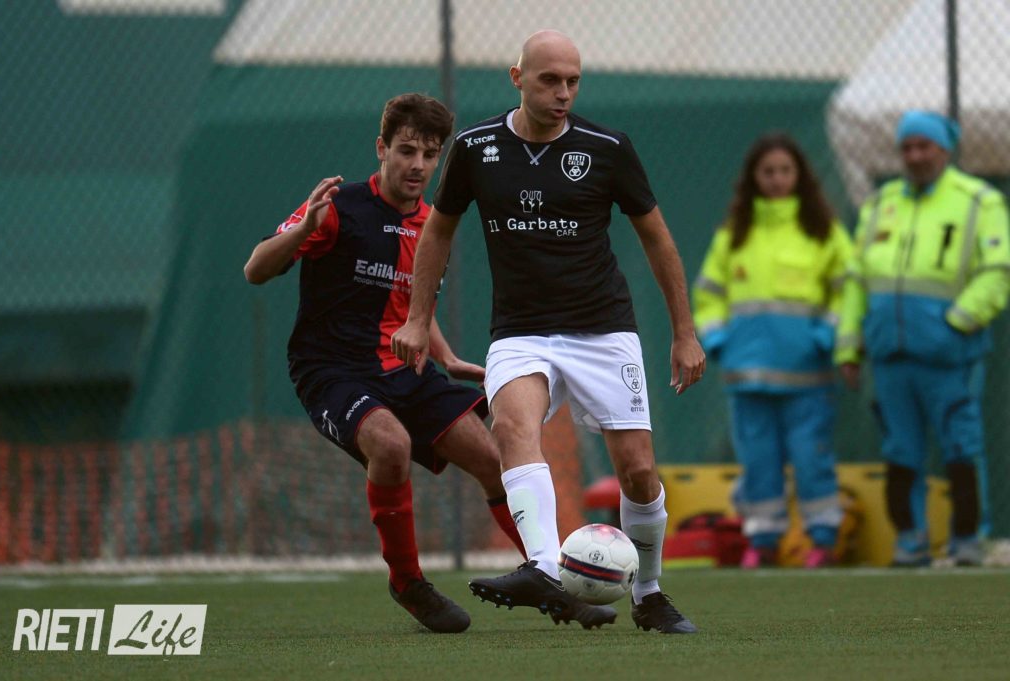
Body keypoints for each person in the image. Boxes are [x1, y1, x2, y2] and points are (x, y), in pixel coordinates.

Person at [391, 30, 705, 634]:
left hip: (603, 329)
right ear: (517, 78)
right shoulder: (475, 146)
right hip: (521, 332)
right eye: (549, 80)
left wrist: (683, 332)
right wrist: (418, 319)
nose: (563, 92)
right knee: (511, 425)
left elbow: (657, 238)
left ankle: (649, 593)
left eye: (573, 81)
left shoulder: (607, 148)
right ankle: (542, 566)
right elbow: (438, 231)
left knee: (639, 471)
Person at [243, 93, 527, 634]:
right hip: (330, 371)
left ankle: (550, 573)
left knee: (492, 458)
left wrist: (445, 356)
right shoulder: (338, 208)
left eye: (429, 154)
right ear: (382, 148)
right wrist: (302, 231)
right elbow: (255, 269)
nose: (417, 165)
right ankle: (408, 582)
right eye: (406, 151)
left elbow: (413, 306)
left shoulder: (432, 224)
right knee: (391, 445)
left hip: (403, 370)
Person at [836, 110, 1010, 567]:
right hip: (889, 355)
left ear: (945, 150)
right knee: (900, 450)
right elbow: (856, 280)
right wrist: (849, 345)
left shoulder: (979, 202)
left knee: (961, 446)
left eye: (924, 146)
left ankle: (968, 540)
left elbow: (997, 271)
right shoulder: (880, 203)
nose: (914, 156)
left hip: (950, 355)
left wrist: (956, 323)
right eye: (907, 147)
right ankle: (910, 542)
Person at [693, 133, 851, 569]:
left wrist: (827, 334)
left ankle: (823, 540)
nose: (777, 179)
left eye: (785, 170)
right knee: (758, 462)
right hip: (746, 375)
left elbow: (847, 291)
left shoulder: (824, 232)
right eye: (768, 172)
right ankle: (762, 542)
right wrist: (717, 339)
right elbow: (708, 295)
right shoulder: (733, 235)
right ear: (753, 178)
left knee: (811, 459)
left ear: (799, 175)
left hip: (807, 375)